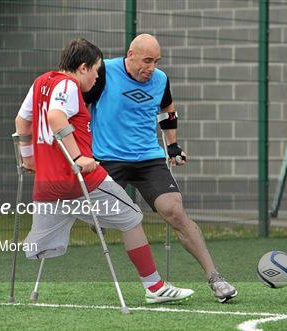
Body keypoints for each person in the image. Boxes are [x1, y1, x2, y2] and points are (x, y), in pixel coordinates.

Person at [14, 39, 194, 304]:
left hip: (46, 183)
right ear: (84, 67)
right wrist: (78, 157)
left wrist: (28, 159)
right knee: (132, 216)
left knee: (37, 247)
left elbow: (22, 121)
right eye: (96, 71)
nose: (98, 77)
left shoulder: (41, 82)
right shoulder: (70, 85)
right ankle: (154, 287)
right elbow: (55, 117)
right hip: (80, 180)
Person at [84, 34, 238, 303]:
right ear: (130, 55)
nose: (151, 67)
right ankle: (103, 219)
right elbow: (80, 108)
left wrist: (173, 146)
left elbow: (168, 110)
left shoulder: (160, 80)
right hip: (108, 159)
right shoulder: (105, 72)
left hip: (148, 158)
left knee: (175, 211)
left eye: (156, 61)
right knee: (103, 219)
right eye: (146, 61)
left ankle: (215, 278)